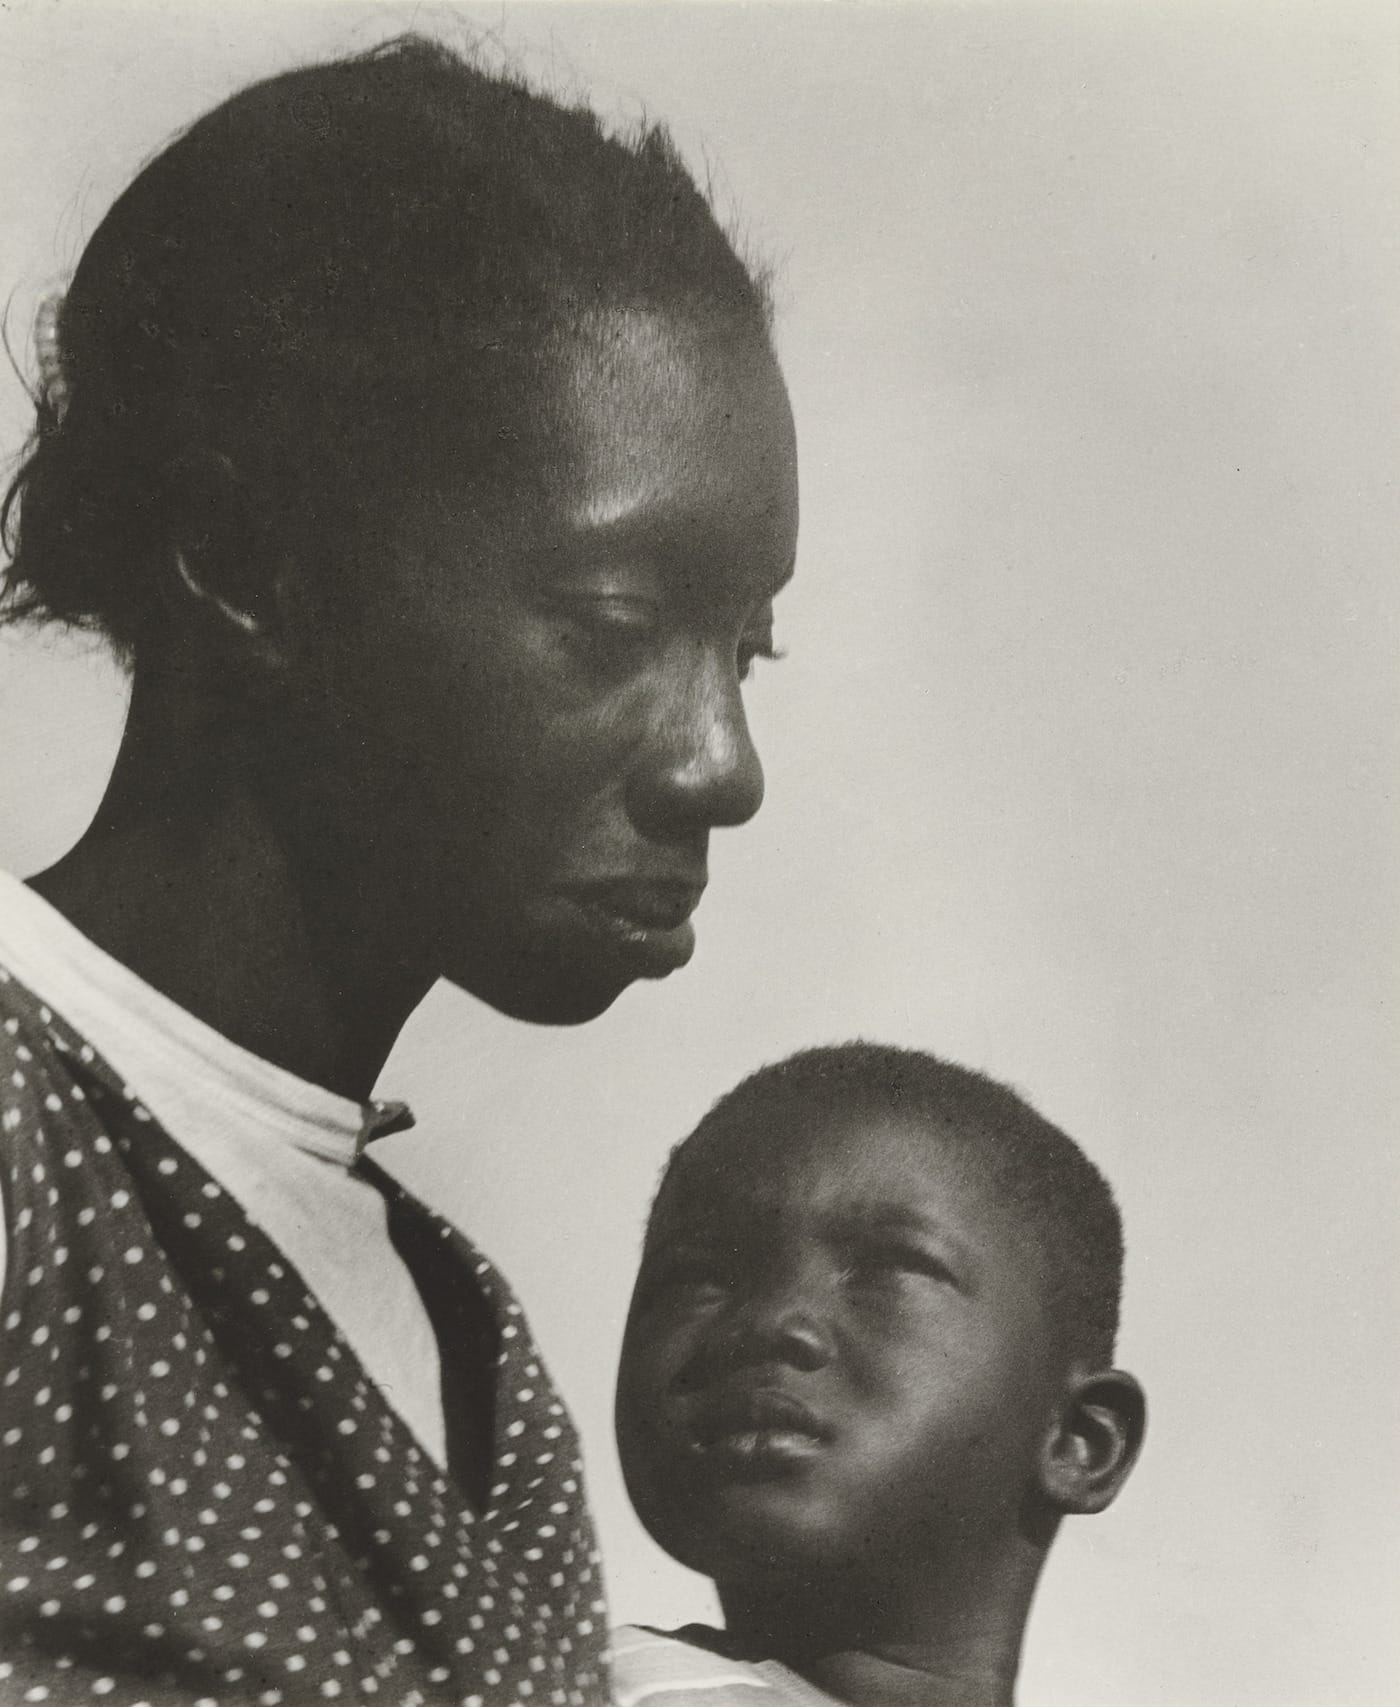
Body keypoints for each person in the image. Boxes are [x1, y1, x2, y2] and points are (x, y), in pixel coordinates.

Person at [0, 34, 798, 1706]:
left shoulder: (471, 1346)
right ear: (246, 565)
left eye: (748, 647)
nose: (722, 762)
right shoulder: (24, 1145)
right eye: (614, 627)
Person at [612, 1043, 1146, 1707]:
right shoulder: (546, 1681)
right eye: (697, 1276)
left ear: (1077, 1440)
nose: (769, 1319)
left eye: (890, 1266)